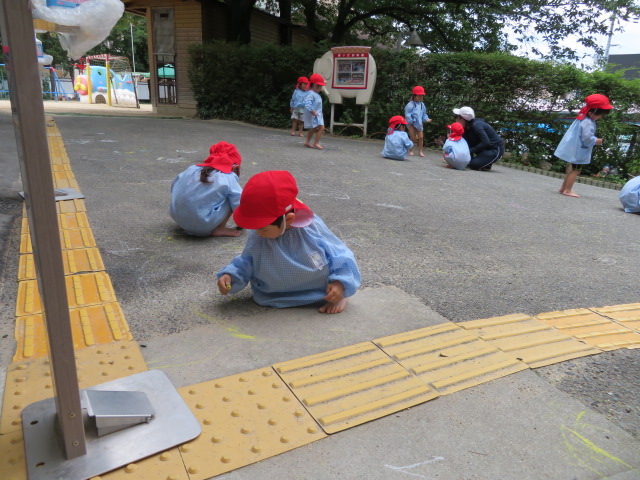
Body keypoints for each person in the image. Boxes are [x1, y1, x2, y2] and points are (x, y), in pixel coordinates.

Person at [216, 170, 360, 314]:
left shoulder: (311, 228)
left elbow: (340, 254)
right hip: (272, 295)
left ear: (289, 219)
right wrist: (231, 276)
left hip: (320, 292)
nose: (257, 233)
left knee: (337, 285)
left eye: (263, 229)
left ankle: (340, 295)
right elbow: (247, 260)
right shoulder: (260, 231)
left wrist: (340, 283)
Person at [169, 141, 243, 237]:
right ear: (235, 167)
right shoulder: (227, 176)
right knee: (232, 196)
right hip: (203, 225)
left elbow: (174, 187)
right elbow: (240, 203)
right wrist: (243, 223)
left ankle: (188, 220)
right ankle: (219, 228)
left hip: (178, 219)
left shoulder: (192, 169)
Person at [554, 94, 613, 198]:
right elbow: (587, 138)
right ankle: (567, 190)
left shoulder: (582, 117)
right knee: (576, 170)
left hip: (574, 147)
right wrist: (597, 140)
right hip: (578, 149)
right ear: (593, 112)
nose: (600, 117)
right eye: (601, 115)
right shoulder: (588, 122)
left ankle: (564, 187)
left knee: (572, 168)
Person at [453, 106, 504, 171]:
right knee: (466, 161)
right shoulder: (466, 127)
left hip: (495, 149)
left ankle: (486, 162)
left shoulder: (477, 125)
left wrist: (468, 151)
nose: (456, 120)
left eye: (457, 118)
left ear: (462, 119)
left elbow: (486, 142)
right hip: (485, 148)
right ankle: (484, 161)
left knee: (473, 165)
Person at [404, 86, 432, 157]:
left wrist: (426, 119)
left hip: (419, 123)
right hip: (411, 123)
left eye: (422, 96)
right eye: (419, 95)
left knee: (421, 137)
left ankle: (420, 151)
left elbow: (424, 114)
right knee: (413, 137)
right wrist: (412, 121)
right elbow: (407, 115)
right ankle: (411, 150)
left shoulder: (422, 105)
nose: (421, 97)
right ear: (414, 96)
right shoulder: (410, 104)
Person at [303, 73, 326, 150]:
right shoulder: (311, 94)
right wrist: (312, 111)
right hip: (315, 114)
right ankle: (316, 142)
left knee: (313, 128)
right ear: (315, 85)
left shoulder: (315, 94)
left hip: (318, 114)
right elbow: (307, 103)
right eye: (321, 86)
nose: (321, 88)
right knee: (322, 128)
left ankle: (307, 141)